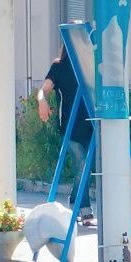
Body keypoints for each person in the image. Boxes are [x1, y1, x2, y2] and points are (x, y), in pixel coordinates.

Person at [37, 43, 95, 225]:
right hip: (70, 127)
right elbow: (43, 90)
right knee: (83, 165)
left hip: (93, 125)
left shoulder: (90, 65)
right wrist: (42, 102)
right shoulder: (59, 66)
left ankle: (74, 200)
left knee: (87, 168)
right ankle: (84, 210)